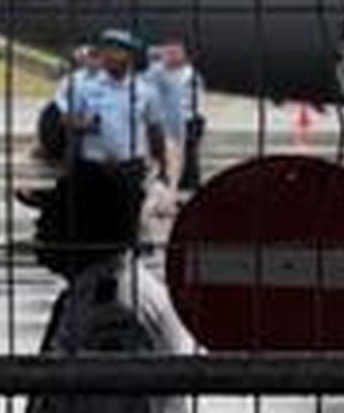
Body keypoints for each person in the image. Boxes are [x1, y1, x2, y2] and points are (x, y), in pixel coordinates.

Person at [22, 161, 192, 413]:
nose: (38, 225)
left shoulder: (112, 312)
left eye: (51, 214)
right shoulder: (107, 289)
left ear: (81, 225)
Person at [55, 29, 168, 219]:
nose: (108, 56)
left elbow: (155, 130)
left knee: (127, 217)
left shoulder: (146, 91)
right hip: (93, 166)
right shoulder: (85, 87)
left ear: (130, 56)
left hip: (129, 167)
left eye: (116, 50)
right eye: (106, 50)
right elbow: (66, 120)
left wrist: (163, 166)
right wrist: (80, 125)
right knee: (93, 218)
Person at [145, 38, 206, 192]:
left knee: (188, 155)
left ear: (184, 55)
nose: (171, 56)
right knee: (164, 154)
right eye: (169, 52)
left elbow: (190, 101)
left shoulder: (188, 74)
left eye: (175, 53)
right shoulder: (158, 72)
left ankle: (189, 184)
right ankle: (168, 181)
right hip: (166, 120)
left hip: (189, 119)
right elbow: (148, 81)